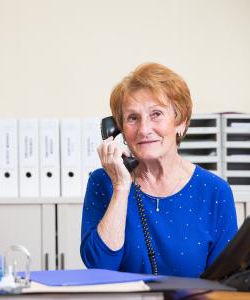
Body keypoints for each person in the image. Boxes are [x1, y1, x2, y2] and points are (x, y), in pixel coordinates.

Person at [80, 62, 237, 277]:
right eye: (132, 118)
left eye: (156, 114)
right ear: (119, 130)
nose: (144, 130)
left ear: (180, 122)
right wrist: (121, 187)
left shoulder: (215, 191)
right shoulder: (104, 181)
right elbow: (99, 267)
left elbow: (227, 280)